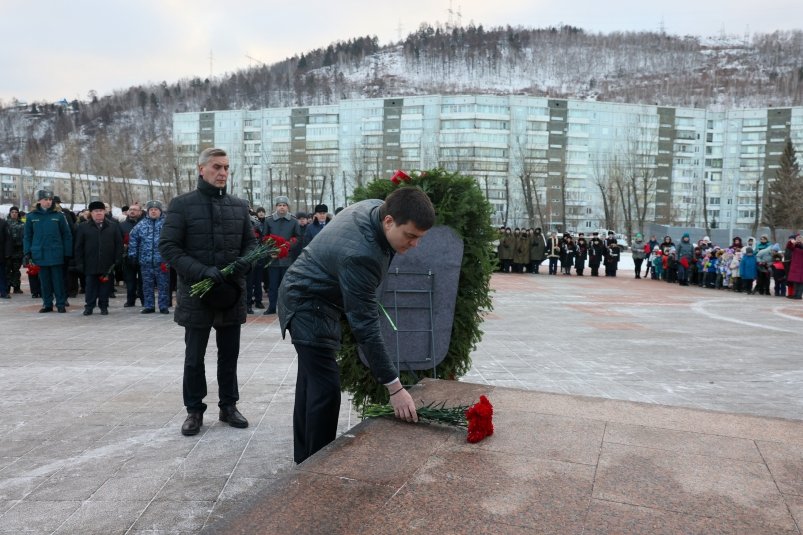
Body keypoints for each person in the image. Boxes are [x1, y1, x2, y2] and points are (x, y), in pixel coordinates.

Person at [278, 186, 435, 464]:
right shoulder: (362, 255)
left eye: (420, 238)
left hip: (309, 295)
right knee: (325, 391)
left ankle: (304, 461)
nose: (414, 245)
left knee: (310, 383)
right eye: (410, 236)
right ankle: (317, 470)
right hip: (307, 304)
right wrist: (395, 389)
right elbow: (364, 325)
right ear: (389, 222)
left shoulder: (377, 207)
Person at [159, 147, 257, 436]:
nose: (223, 173)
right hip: (197, 295)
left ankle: (228, 406)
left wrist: (242, 265)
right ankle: (194, 410)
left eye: (226, 168)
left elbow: (250, 244)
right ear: (201, 169)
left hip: (230, 294)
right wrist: (201, 271)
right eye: (217, 167)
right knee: (194, 357)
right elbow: (169, 247)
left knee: (229, 355)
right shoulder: (182, 204)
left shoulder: (239, 206)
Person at [23, 190, 73, 313]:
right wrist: (27, 252)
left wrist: (67, 252)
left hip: (56, 253)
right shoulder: (31, 217)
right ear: (39, 201)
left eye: (50, 199)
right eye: (46, 199)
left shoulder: (59, 216)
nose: (49, 202)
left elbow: (66, 235)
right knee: (44, 281)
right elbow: (27, 236)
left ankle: (60, 303)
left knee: (58, 280)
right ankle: (47, 304)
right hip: (40, 253)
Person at [74, 201, 122, 315]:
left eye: (100, 211)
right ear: (91, 213)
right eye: (96, 211)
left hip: (107, 263)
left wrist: (117, 259)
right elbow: (78, 246)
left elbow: (119, 245)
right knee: (90, 286)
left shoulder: (113, 226)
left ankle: (104, 306)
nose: (99, 213)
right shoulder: (83, 227)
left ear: (104, 212)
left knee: (105, 287)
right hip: (90, 262)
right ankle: (89, 306)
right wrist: (79, 262)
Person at [262, 196, 301, 315]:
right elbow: (264, 237)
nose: (282, 207)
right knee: (272, 286)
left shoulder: (294, 221)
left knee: (286, 285)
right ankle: (272, 307)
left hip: (287, 258)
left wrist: (287, 246)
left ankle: (286, 308)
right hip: (273, 259)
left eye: (284, 205)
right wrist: (271, 249)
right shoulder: (269, 220)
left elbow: (298, 237)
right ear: (276, 207)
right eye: (279, 205)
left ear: (287, 207)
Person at [129, 200, 170, 314]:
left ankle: (163, 306)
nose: (153, 211)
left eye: (156, 209)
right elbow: (133, 240)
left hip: (162, 261)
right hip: (145, 261)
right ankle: (149, 305)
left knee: (163, 285)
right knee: (147, 285)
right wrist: (132, 255)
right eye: (151, 210)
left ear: (160, 211)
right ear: (147, 211)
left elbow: (173, 240)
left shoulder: (167, 224)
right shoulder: (141, 225)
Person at [119, 203, 144, 307]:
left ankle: (144, 300)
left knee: (143, 280)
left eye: (135, 209)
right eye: (130, 209)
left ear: (140, 212)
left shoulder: (144, 224)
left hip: (143, 256)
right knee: (130, 280)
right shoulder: (122, 225)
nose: (132, 211)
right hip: (128, 257)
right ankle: (130, 300)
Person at [6, 207, 25, 294]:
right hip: (8, 251)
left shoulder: (22, 224)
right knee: (7, 270)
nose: (14, 213)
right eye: (12, 212)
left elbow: (25, 237)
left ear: (18, 213)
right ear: (10, 213)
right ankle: (7, 287)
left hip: (18, 251)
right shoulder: (5, 224)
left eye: (16, 212)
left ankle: (17, 287)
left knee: (16, 270)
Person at [786, 234, 803, 300]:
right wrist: (793, 241)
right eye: (798, 238)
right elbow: (789, 246)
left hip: (801, 267)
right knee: (795, 282)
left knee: (801, 282)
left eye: (800, 238)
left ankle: (799, 295)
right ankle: (795, 294)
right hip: (795, 266)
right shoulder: (795, 246)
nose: (799, 239)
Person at [0, 215, 11, 298]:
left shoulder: (3, 223)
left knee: (2, 274)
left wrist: (7, 253)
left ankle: (3, 292)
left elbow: (8, 239)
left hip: (1, 253)